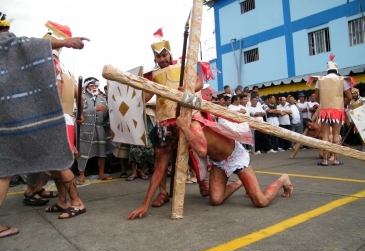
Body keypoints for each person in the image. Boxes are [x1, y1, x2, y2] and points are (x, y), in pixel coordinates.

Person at [0, 14, 89, 236]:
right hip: (56, 118)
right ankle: (63, 201)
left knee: (60, 163)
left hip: (56, 119)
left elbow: (58, 94)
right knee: (55, 162)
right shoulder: (59, 66)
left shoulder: (53, 65)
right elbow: (80, 97)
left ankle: (76, 202)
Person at [127, 110, 293, 219]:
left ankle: (283, 180)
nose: (167, 151)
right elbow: (159, 171)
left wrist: (184, 128)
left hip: (236, 156)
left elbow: (201, 150)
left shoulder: (190, 124)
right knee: (215, 199)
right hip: (218, 162)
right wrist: (145, 204)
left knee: (260, 201)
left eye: (168, 147)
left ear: (171, 136)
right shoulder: (168, 137)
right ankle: (242, 182)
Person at [139, 39, 206, 207]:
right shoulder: (152, 76)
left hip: (185, 116)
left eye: (164, 55)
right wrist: (139, 85)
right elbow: (145, 97)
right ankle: (162, 193)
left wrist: (189, 90)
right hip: (164, 119)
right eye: (158, 57)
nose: (161, 59)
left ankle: (202, 180)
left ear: (169, 54)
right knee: (160, 157)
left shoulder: (183, 66)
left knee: (195, 150)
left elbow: (199, 82)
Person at [314, 54, 352, 166]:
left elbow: (316, 97)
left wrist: (324, 102)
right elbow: (349, 97)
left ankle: (325, 160)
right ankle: (335, 159)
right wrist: (343, 104)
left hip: (325, 110)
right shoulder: (342, 80)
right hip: (338, 110)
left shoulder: (320, 80)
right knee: (336, 134)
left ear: (327, 70)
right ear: (336, 70)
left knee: (325, 134)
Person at [77, 77, 114, 183]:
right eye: (92, 86)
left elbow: (106, 114)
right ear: (86, 87)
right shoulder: (81, 98)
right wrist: (94, 109)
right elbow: (77, 112)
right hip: (85, 129)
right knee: (82, 153)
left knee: (101, 153)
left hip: (99, 129)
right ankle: (81, 175)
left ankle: (101, 173)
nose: (94, 88)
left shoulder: (102, 99)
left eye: (96, 86)